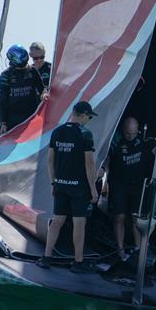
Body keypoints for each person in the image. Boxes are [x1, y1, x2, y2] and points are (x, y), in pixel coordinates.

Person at [37, 101, 100, 273]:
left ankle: (46, 257)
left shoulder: (57, 132)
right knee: (79, 223)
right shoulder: (85, 134)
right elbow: (89, 163)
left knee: (57, 221)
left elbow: (50, 160)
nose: (89, 120)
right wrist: (93, 189)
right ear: (83, 115)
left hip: (61, 184)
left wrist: (53, 182)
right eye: (89, 117)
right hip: (79, 187)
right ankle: (78, 262)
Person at [102, 117, 151, 259]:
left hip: (137, 185)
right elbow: (106, 158)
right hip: (118, 184)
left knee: (136, 219)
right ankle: (120, 249)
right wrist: (104, 176)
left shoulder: (143, 139)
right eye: (128, 134)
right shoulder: (116, 140)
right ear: (123, 130)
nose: (130, 137)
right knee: (119, 217)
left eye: (133, 134)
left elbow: (154, 150)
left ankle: (138, 250)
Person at [0, 44, 46, 133]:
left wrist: (44, 94)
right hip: (13, 119)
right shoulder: (5, 76)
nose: (25, 67)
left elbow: (42, 88)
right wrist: (4, 122)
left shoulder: (32, 70)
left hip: (32, 115)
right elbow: (3, 100)